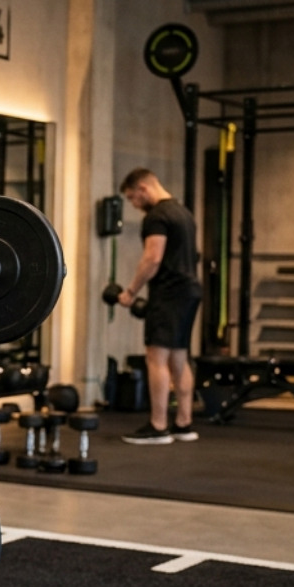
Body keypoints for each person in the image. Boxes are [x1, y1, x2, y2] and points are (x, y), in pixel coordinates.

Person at [116, 167, 201, 444]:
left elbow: (153, 258)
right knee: (179, 356)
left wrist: (130, 292)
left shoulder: (157, 216)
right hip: (189, 290)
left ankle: (158, 425)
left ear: (143, 189)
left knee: (157, 357)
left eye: (133, 198)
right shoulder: (183, 212)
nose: (134, 204)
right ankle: (184, 423)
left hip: (168, 292)